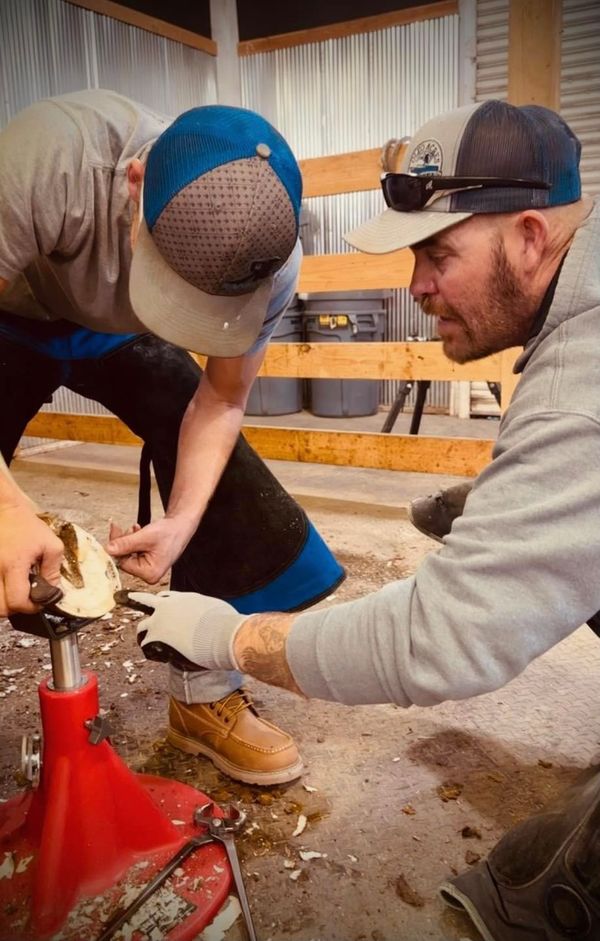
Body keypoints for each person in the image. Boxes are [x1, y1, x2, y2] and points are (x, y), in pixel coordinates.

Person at [127, 99, 600, 938]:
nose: (416, 284)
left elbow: (438, 638)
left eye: (438, 253)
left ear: (531, 236)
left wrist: (227, 638)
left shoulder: (577, 396)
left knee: (529, 892)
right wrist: (519, 504)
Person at [0, 88, 345, 786]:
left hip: (114, 335)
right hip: (10, 314)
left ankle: (203, 696)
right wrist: (8, 509)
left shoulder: (273, 260)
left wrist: (183, 521)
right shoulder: (47, 161)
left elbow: (222, 396)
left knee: (217, 470)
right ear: (134, 183)